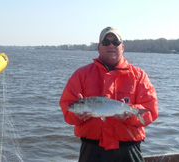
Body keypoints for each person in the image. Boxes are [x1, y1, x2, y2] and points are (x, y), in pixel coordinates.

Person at [59, 27, 158, 162]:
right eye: (106, 42)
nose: (111, 45)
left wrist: (130, 116)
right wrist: (77, 115)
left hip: (128, 150)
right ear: (99, 48)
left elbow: (150, 110)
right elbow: (67, 108)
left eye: (115, 42)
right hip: (92, 150)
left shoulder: (139, 76)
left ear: (122, 47)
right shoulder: (81, 75)